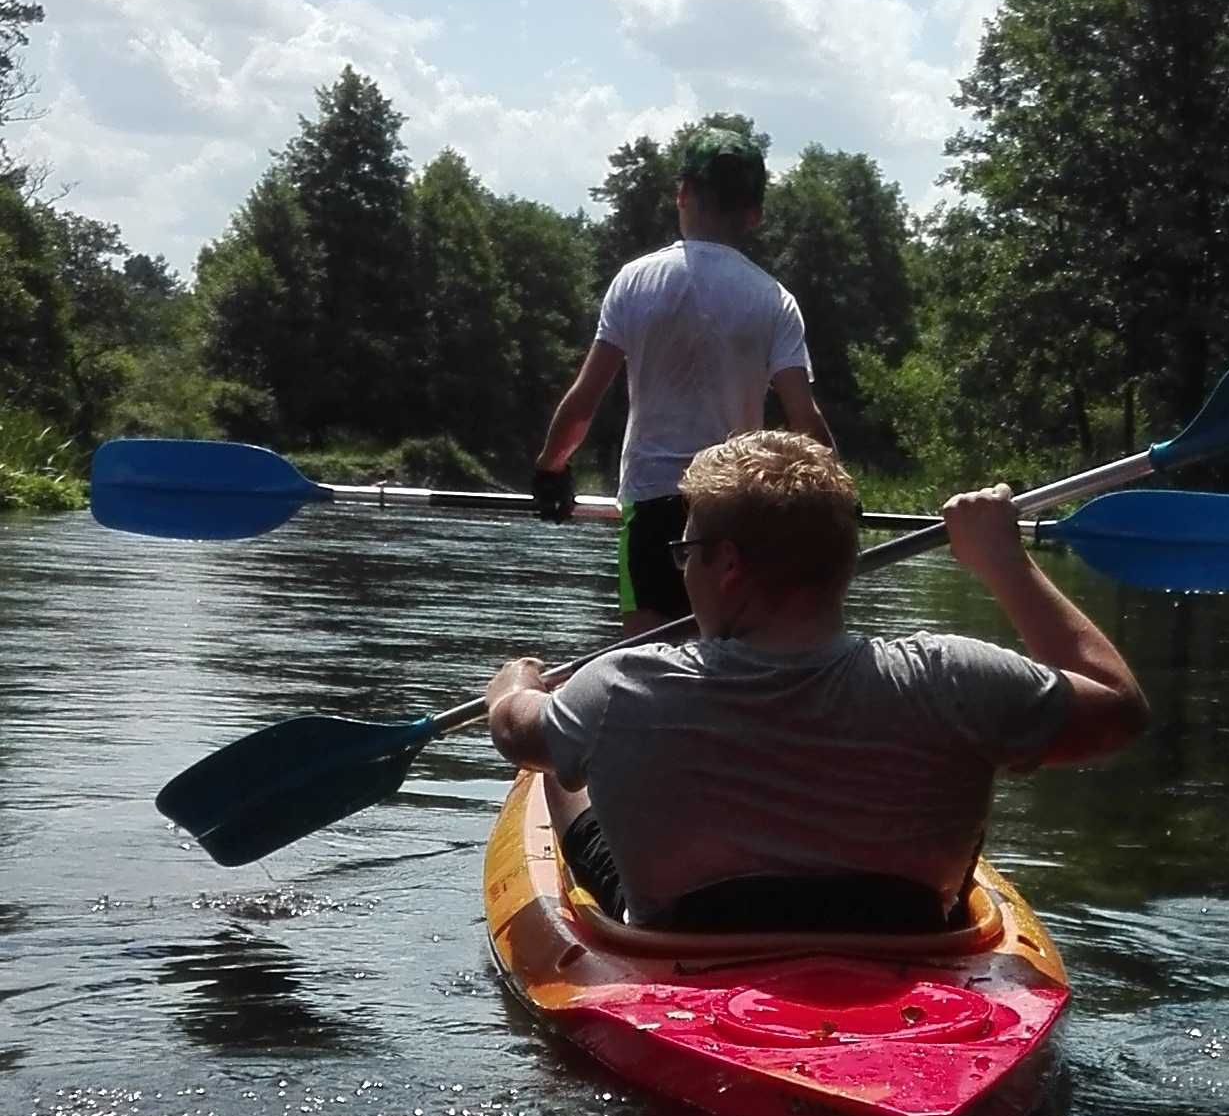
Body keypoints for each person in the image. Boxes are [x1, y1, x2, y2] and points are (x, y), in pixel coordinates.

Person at [483, 431, 1149, 932]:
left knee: (553, 769)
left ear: (729, 565)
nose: (684, 570)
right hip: (905, 943)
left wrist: (518, 684)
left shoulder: (620, 687)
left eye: (688, 553)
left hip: (686, 955)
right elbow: (1118, 709)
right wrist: (1005, 561)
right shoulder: (958, 679)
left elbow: (517, 735)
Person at [532, 115, 832, 622]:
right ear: (754, 216)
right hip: (733, 511)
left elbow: (586, 399)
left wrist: (551, 468)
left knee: (647, 664)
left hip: (651, 506)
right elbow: (806, 420)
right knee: (729, 662)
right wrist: (834, 500)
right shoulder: (774, 300)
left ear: (683, 195)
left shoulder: (634, 282)